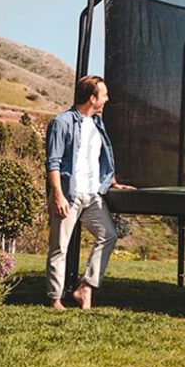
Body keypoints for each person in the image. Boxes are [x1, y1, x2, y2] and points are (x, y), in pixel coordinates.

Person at [45, 75, 131, 310]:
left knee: (109, 235)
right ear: (92, 98)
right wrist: (59, 195)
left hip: (93, 195)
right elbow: (53, 162)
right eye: (103, 95)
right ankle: (55, 299)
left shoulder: (97, 124)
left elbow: (98, 158)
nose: (107, 99)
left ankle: (86, 287)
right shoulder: (61, 122)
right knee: (59, 247)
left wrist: (112, 182)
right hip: (69, 194)